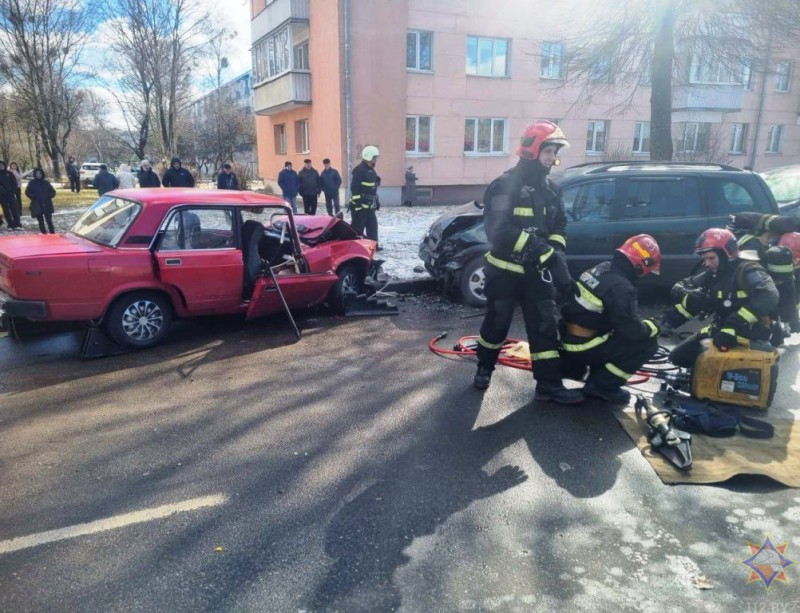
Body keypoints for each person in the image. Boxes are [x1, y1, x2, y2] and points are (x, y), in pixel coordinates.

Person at [473, 120, 583, 404]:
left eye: (555, 152)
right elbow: (498, 230)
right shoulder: (504, 185)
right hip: (504, 271)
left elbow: (559, 225)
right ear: (533, 150)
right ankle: (484, 367)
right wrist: (539, 249)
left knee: (545, 326)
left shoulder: (552, 189)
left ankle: (548, 384)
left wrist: (555, 253)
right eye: (549, 151)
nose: (553, 158)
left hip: (537, 274)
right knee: (497, 324)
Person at [559, 235, 662, 403]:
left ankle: (589, 372)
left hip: (568, 339)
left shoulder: (601, 268)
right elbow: (632, 332)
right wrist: (652, 327)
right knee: (647, 344)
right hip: (584, 346)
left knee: (615, 333)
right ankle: (603, 386)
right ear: (643, 264)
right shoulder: (622, 288)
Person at [661, 228, 779, 368]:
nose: (707, 263)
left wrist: (732, 324)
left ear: (726, 254)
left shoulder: (748, 269)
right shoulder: (715, 273)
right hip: (723, 329)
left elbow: (769, 295)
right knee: (678, 357)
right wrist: (667, 321)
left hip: (751, 331)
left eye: (711, 258)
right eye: (704, 259)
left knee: (721, 366)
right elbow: (685, 284)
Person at [349, 145, 381, 245]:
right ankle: (355, 247)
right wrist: (358, 205)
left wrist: (376, 200)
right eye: (374, 157)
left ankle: (373, 246)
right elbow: (354, 189)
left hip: (369, 206)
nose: (376, 160)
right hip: (359, 206)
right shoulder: (359, 170)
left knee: (372, 227)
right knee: (358, 229)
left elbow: (372, 189)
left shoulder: (371, 170)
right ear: (368, 157)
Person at [25, 168, 56, 234]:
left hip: (46, 204)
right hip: (37, 204)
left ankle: (52, 234)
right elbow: (27, 192)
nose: (38, 175)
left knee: (49, 221)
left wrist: (48, 196)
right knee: (41, 222)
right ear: (35, 174)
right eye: (37, 173)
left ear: (42, 174)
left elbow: (53, 192)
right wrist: (33, 197)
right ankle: (44, 234)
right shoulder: (31, 183)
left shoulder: (46, 183)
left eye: (40, 173)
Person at [0, 160, 21, 229]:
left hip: (11, 194)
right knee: (6, 210)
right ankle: (10, 224)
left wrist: (13, 191)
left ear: (4, 166)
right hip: (2, 196)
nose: (1, 166)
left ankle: (17, 224)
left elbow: (14, 182)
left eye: (2, 165)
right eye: (0, 165)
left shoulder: (9, 173)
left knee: (14, 209)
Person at [9, 162, 23, 226]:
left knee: (19, 200)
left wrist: (15, 172)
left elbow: (20, 177)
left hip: (18, 187)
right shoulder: (10, 171)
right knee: (14, 201)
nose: (14, 166)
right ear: (10, 166)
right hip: (12, 188)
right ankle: (15, 212)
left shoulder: (18, 171)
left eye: (15, 165)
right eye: (12, 165)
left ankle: (20, 212)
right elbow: (16, 178)